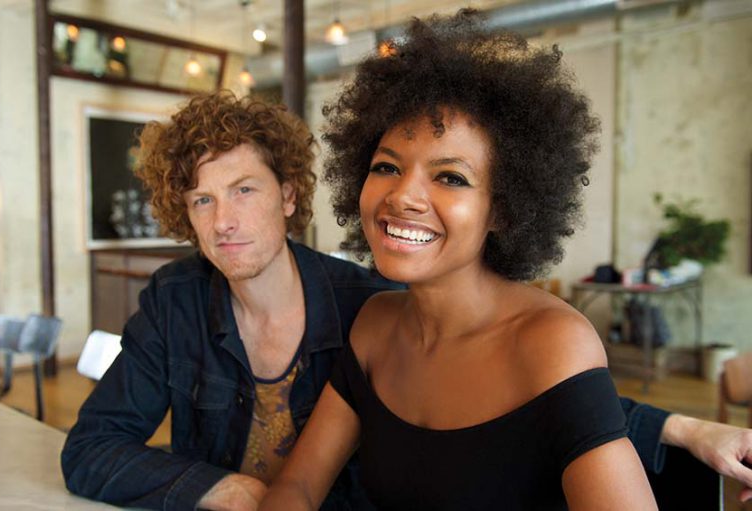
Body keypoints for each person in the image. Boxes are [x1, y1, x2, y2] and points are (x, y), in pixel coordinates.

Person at [61, 90, 752, 511]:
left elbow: (536, 396)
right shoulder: (193, 301)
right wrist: (218, 488)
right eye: (202, 199)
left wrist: (684, 429)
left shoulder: (365, 298)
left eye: (244, 190)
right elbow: (93, 447)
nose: (225, 220)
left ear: (291, 196)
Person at [259, 10, 752, 510]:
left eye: (451, 177)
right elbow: (297, 487)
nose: (403, 196)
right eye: (386, 166)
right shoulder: (374, 328)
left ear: (505, 210)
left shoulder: (552, 341)